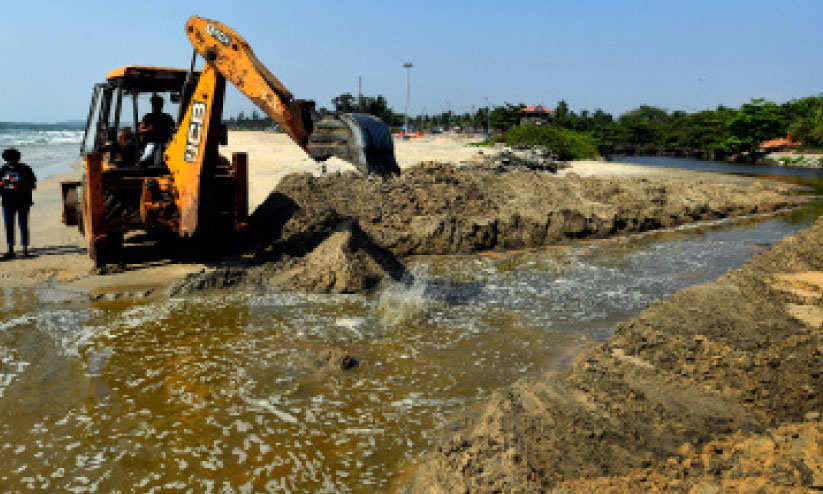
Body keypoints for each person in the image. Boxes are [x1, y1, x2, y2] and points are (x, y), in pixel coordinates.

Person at [1, 148, 37, 259]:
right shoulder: (26, 168)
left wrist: (7, 183)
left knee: (9, 225)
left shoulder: (3, 169)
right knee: (23, 225)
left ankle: (11, 250)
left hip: (8, 201)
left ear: (5, 158)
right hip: (23, 201)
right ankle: (24, 250)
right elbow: (34, 185)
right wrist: (20, 184)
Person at [138, 94, 175, 166]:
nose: (156, 106)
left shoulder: (167, 117)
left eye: (158, 104)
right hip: (151, 142)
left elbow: (174, 129)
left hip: (164, 142)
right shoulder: (148, 117)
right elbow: (140, 129)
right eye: (155, 104)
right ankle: (141, 163)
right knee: (147, 156)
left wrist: (170, 136)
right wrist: (148, 129)